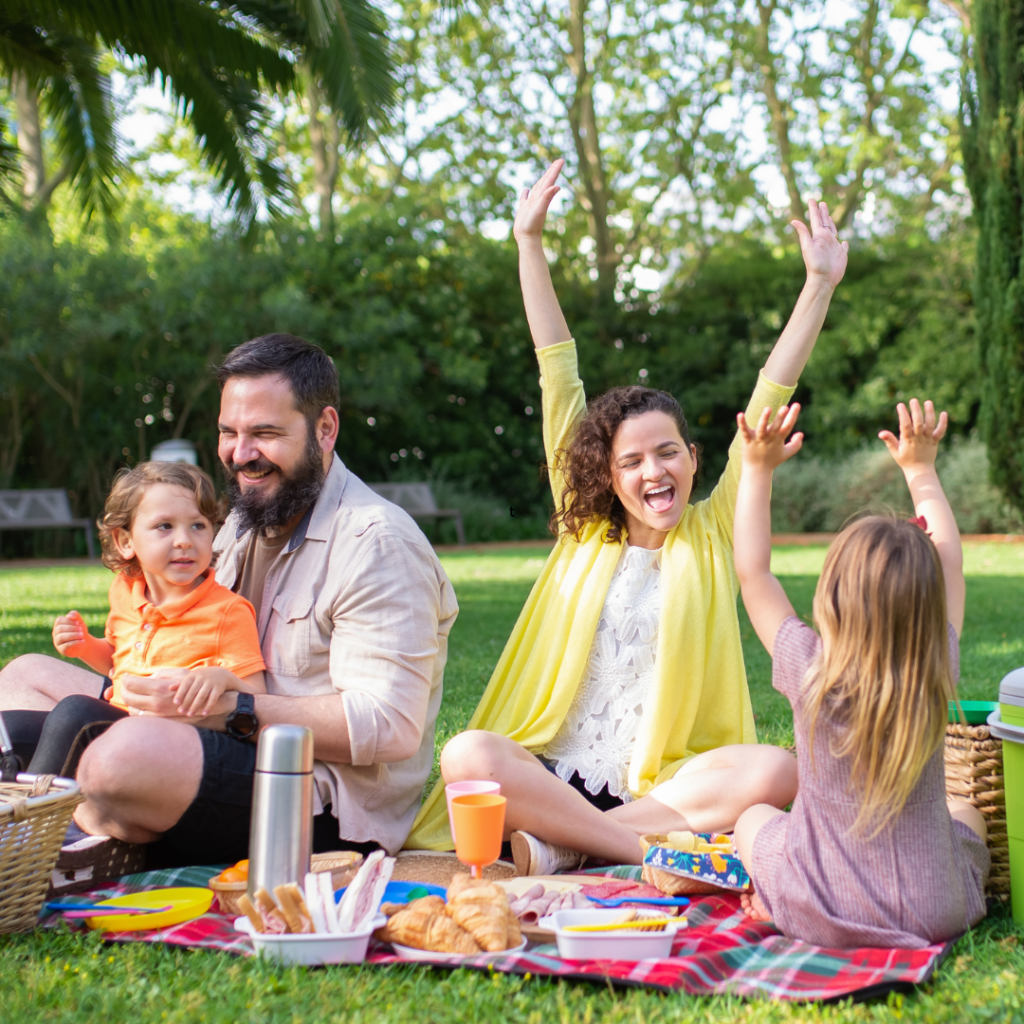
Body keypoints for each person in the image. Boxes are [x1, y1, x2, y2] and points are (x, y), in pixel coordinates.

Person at [406, 158, 849, 875]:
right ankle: (637, 852)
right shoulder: (584, 528)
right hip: (550, 770)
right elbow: (558, 367)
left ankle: (560, 846)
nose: (654, 472)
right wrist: (529, 242)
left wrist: (819, 284)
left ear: (695, 459)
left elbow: (771, 392)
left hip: (662, 788)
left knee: (776, 770)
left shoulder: (712, 532)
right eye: (633, 462)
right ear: (607, 477)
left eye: (667, 453)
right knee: (469, 754)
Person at [0, 334, 458, 884]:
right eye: (228, 432)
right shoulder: (244, 518)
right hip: (200, 731)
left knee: (119, 758)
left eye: (264, 433)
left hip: (315, 796)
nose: (240, 453)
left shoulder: (376, 542)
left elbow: (390, 727)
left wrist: (232, 709)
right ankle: (89, 827)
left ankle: (59, 835)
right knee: (21, 676)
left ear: (325, 428)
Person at [730, 398, 989, 947]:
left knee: (753, 819)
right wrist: (920, 470)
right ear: (927, 605)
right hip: (932, 910)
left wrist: (757, 471)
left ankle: (771, 898)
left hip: (818, 905)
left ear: (832, 596)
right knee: (966, 811)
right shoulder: (933, 663)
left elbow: (753, 575)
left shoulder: (809, 667)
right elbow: (950, 563)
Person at [16, 461, 266, 783]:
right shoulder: (125, 590)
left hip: (173, 743)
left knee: (75, 714)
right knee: (12, 728)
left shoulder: (227, 610)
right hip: (120, 720)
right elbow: (118, 662)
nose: (184, 540)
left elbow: (257, 693)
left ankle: (35, 823)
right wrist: (85, 646)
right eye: (165, 526)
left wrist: (221, 678)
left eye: (198, 526)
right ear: (125, 541)